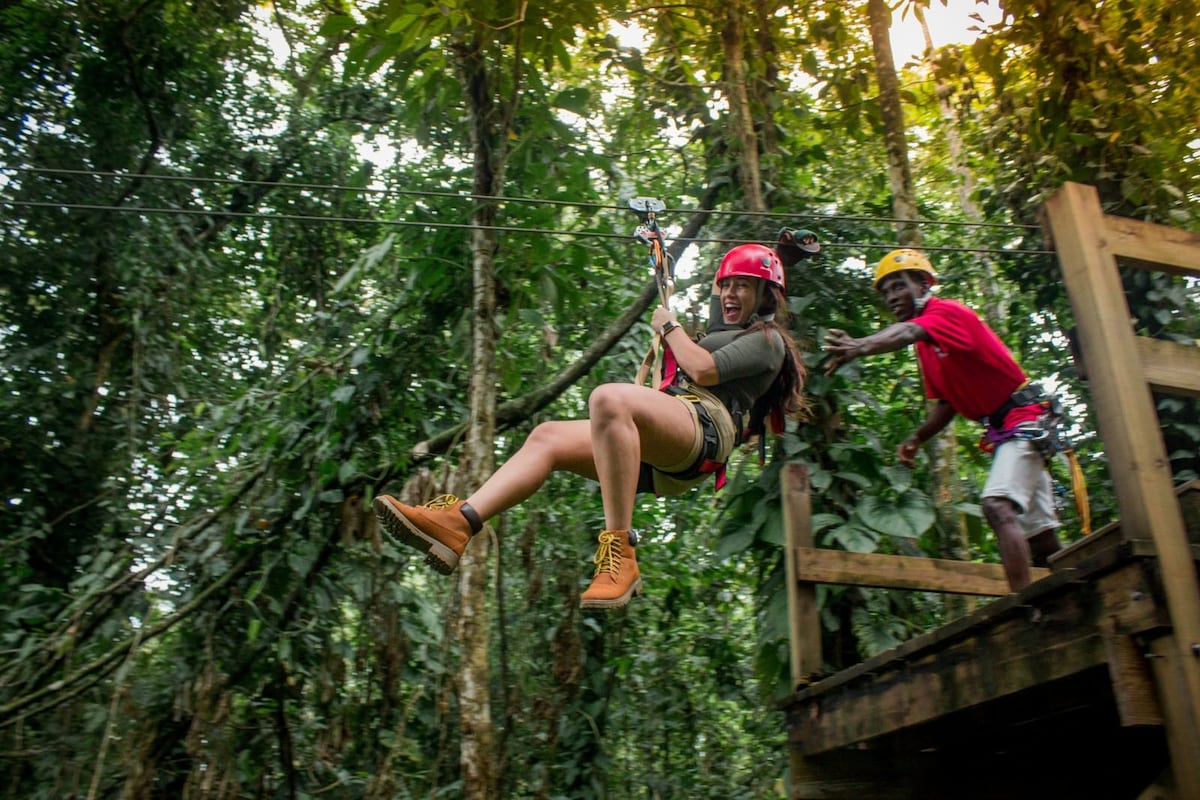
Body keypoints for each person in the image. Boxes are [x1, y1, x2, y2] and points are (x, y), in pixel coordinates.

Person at [374, 243, 809, 609]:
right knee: (547, 437)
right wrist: (670, 247)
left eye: (743, 286)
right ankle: (460, 523)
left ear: (765, 297)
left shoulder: (768, 342)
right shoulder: (726, 325)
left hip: (706, 428)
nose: (730, 293)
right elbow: (720, 296)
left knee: (609, 399)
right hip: (671, 432)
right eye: (728, 285)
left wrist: (670, 326)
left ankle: (620, 552)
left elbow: (703, 368)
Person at [822, 248, 1062, 592]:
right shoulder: (927, 345)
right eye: (886, 292)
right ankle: (1069, 592)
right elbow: (947, 403)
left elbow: (905, 332)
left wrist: (860, 345)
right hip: (1007, 430)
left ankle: (1024, 603)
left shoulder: (945, 312)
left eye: (899, 286)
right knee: (1039, 535)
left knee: (997, 506)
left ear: (923, 284)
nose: (892, 297)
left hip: (1025, 420)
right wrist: (917, 438)